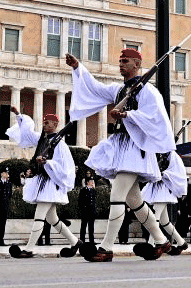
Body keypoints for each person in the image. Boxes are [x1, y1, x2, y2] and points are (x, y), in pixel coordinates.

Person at [67, 50, 177, 262]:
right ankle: (161, 240)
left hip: (135, 149)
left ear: (137, 64)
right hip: (121, 146)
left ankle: (107, 247)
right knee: (134, 201)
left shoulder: (148, 91)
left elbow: (155, 117)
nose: (121, 64)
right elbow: (95, 88)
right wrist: (78, 68)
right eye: (119, 61)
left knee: (117, 196)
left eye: (125, 61)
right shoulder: (119, 90)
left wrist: (127, 114)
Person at [5, 109, 81, 258]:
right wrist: (19, 115)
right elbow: (27, 134)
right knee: (52, 219)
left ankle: (29, 249)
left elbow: (65, 167)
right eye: (44, 122)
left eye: (47, 123)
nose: (44, 125)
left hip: (51, 184)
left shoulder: (60, 145)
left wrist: (47, 162)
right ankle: (75, 242)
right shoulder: (43, 140)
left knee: (39, 216)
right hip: (43, 183)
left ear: (55, 124)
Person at [79, 178, 97, 244]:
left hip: (92, 211)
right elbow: (80, 201)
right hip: (85, 211)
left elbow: (94, 201)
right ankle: (82, 240)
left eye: (93, 182)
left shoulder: (93, 191)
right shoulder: (83, 190)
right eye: (91, 182)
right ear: (87, 182)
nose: (92, 183)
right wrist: (83, 208)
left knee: (91, 227)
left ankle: (91, 240)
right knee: (83, 226)